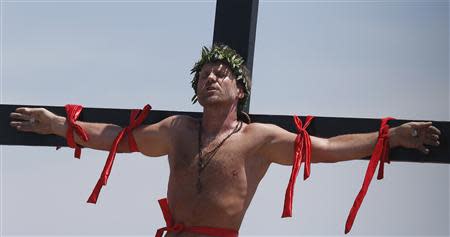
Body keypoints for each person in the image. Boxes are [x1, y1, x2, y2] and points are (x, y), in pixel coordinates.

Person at [9, 44, 441, 236]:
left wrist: (390, 136)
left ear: (240, 89)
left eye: (222, 73)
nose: (211, 78)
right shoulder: (177, 129)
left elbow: (325, 150)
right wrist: (56, 126)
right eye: (204, 75)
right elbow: (121, 140)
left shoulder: (259, 138)